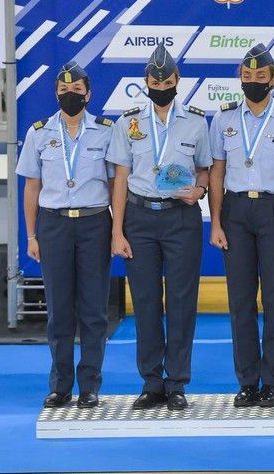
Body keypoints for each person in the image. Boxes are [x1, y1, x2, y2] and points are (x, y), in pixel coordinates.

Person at [106, 43, 212, 411]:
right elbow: (120, 177)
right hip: (139, 217)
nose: (161, 84)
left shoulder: (197, 121)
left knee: (182, 302)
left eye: (167, 79)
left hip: (182, 218)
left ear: (177, 80)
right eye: (154, 79)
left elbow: (206, 169)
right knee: (147, 301)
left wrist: (198, 190)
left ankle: (177, 382)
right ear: (146, 82)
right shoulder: (128, 122)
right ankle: (152, 382)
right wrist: (117, 231)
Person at [208, 43, 274, 408]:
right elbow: (217, 173)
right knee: (240, 302)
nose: (253, 81)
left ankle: (271, 381)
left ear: (273, 78)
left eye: (261, 76)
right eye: (247, 76)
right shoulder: (223, 119)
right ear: (240, 78)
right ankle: (247, 381)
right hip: (235, 212)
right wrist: (216, 222)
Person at [16, 62, 114, 409]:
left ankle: (90, 386)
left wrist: (117, 230)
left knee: (93, 310)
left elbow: (117, 184)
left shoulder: (106, 131)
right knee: (58, 310)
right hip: (54, 225)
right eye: (63, 91)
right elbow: (31, 187)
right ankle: (60, 386)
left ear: (88, 93)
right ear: (56, 94)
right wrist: (31, 235)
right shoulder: (39, 133)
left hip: (94, 223)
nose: (69, 95)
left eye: (76, 91)